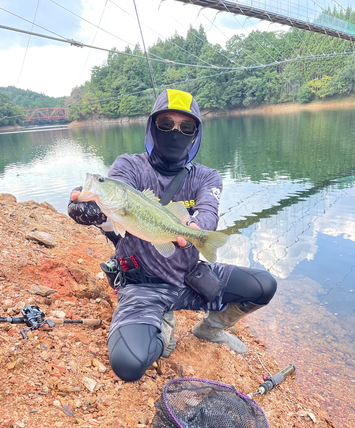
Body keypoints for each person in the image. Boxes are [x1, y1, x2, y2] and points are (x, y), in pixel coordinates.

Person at [68, 89, 277, 382]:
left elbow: (208, 210)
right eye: (165, 124)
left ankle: (211, 327)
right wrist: (91, 209)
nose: (175, 132)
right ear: (153, 127)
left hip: (190, 278)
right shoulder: (129, 166)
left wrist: (196, 228)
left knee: (264, 285)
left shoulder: (206, 176)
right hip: (143, 286)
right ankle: (162, 325)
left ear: (195, 134)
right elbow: (113, 204)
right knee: (128, 364)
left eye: (186, 127)